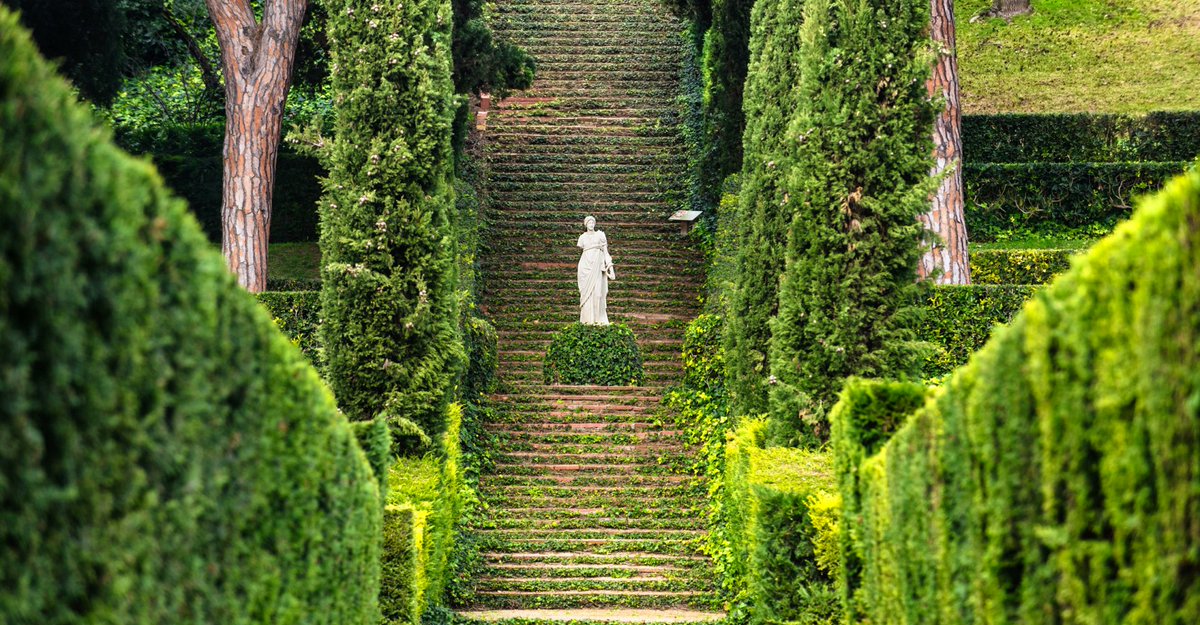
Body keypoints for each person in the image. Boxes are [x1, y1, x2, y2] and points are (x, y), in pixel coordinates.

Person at [577, 215, 615, 325]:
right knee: (587, 295)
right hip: (585, 266)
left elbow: (606, 253)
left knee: (598, 294)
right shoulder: (582, 238)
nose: (591, 224)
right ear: (585, 225)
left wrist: (611, 268)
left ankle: (599, 320)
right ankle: (587, 321)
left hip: (598, 266)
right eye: (589, 222)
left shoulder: (600, 235)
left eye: (592, 222)